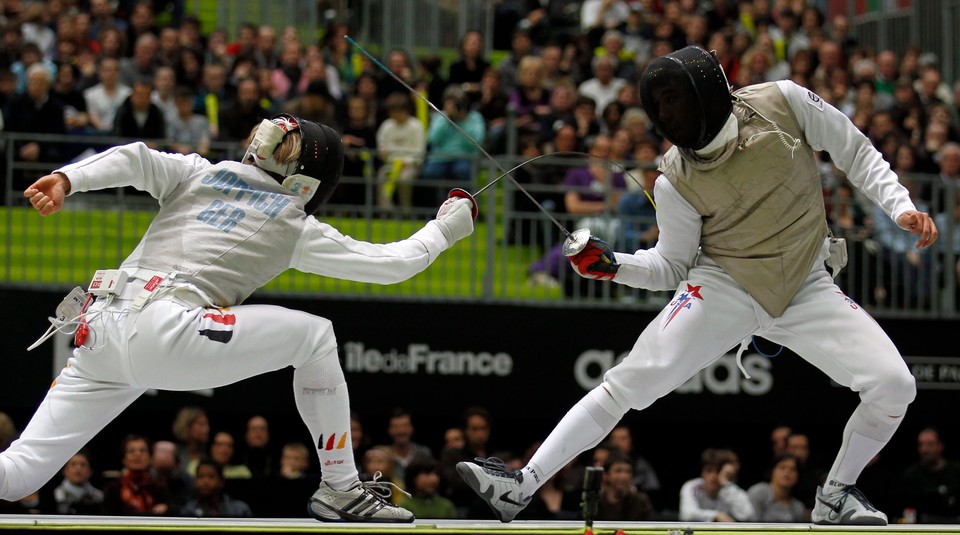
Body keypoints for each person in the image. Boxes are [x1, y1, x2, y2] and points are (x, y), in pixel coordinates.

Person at [455, 46, 937, 526]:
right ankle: (521, 485)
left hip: (806, 283)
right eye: (658, 104)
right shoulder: (675, 179)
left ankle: (835, 495)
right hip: (723, 283)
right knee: (629, 382)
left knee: (894, 385)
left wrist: (899, 207)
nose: (666, 114)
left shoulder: (783, 101)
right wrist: (613, 265)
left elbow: (854, 148)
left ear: (705, 92)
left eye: (673, 99)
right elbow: (670, 265)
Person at [11, 113, 476, 523]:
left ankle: (342, 490)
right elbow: (392, 264)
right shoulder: (293, 222)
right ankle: (341, 488)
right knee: (315, 337)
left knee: (16, 474)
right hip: (167, 330)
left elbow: (135, 158)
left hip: (98, 331)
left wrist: (67, 178)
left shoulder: (197, 173)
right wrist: (447, 225)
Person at [901, 427, 960, 523]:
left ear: (940, 446)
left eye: (930, 444)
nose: (925, 449)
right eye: (921, 445)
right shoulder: (911, 476)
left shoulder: (956, 471)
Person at [678, 448, 755, 522]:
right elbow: (686, 514)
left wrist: (726, 483)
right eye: (709, 470)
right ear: (702, 472)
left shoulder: (729, 489)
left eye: (718, 471)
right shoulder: (692, 487)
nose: (713, 476)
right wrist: (716, 515)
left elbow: (747, 515)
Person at [102, 435, 171, 516]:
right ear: (124, 459)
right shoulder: (113, 489)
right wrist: (151, 513)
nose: (137, 454)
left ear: (150, 457)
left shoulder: (160, 486)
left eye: (142, 450)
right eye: (131, 451)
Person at [179, 459, 252, 518]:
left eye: (211, 477)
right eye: (201, 476)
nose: (205, 481)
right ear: (195, 481)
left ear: (221, 482)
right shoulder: (188, 511)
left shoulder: (239, 510)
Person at [747, 453, 808, 522]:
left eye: (792, 469)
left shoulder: (798, 507)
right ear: (772, 471)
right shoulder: (758, 492)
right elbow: (751, 524)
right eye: (782, 468)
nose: (787, 472)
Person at [52, 450, 104, 515]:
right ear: (65, 470)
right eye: (73, 464)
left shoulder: (99, 498)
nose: (78, 468)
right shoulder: (53, 496)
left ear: (90, 471)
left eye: (83, 465)